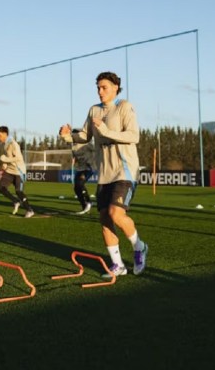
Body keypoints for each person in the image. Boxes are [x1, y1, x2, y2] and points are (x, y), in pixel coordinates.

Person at [60, 72, 148, 276]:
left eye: (104, 87)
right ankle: (118, 265)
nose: (100, 91)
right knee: (104, 219)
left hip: (125, 170)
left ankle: (139, 247)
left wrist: (107, 131)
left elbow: (134, 135)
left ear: (116, 87)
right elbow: (84, 135)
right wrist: (67, 137)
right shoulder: (94, 110)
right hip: (105, 173)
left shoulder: (124, 106)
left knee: (116, 214)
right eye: (98, 87)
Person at [0, 126, 35, 218]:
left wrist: (5, 159)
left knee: (19, 191)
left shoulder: (13, 144)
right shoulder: (6, 144)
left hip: (19, 171)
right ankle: (15, 201)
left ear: (5, 134)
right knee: (1, 187)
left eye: (0, 135)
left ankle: (29, 210)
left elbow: (18, 158)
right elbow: (9, 157)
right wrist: (5, 164)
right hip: (10, 170)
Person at [70, 136, 95, 214]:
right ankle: (84, 206)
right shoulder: (73, 147)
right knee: (76, 188)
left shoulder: (86, 144)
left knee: (80, 183)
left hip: (89, 168)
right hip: (79, 169)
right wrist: (73, 161)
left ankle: (89, 202)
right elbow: (75, 157)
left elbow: (96, 149)